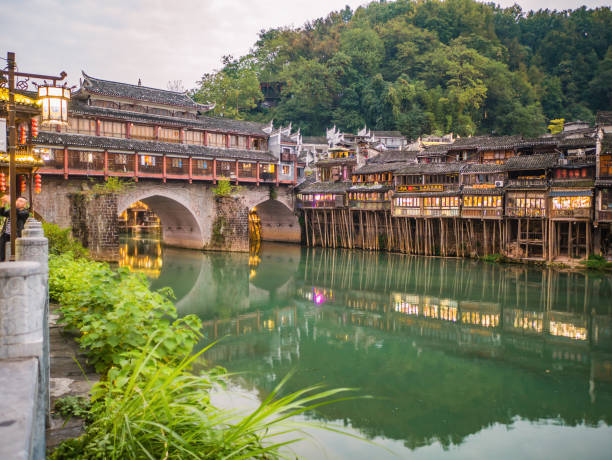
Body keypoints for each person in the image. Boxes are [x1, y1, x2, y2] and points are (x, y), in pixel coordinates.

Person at [0, 195, 30, 261]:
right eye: (18, 200)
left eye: (21, 201)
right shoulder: (11, 210)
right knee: (1, 254)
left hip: (15, 236)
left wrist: (11, 202)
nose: (18, 202)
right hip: (5, 234)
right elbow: (2, 213)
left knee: (14, 254)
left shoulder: (25, 213)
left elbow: (17, 212)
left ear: (24, 205)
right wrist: (3, 204)